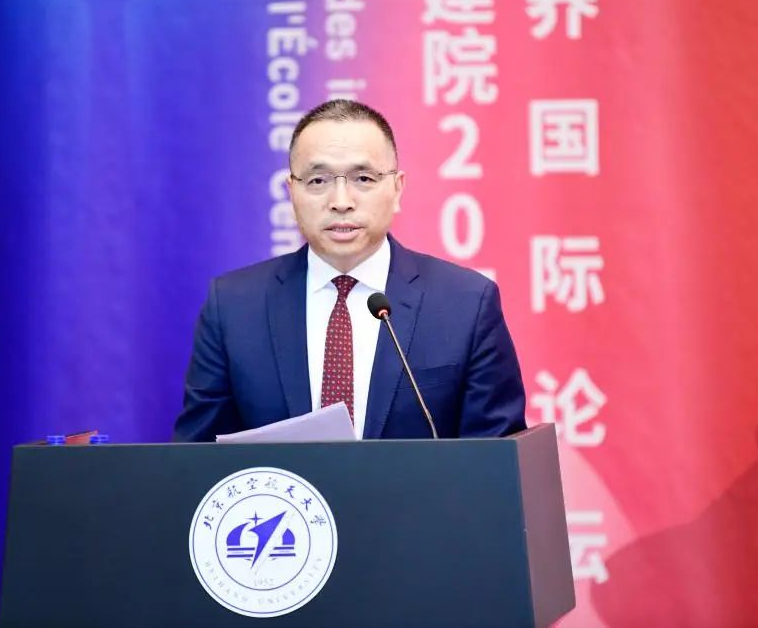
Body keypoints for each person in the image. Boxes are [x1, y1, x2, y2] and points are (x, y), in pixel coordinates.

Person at [173, 99, 525, 441]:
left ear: (397, 188)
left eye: (363, 179)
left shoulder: (466, 304)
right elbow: (197, 458)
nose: (341, 202)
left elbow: (497, 461)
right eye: (318, 181)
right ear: (291, 192)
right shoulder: (233, 307)